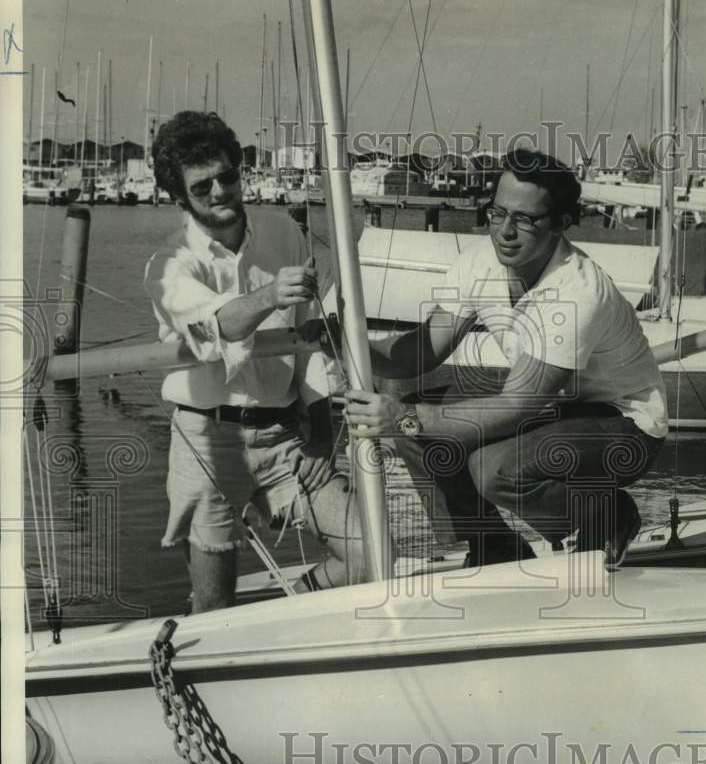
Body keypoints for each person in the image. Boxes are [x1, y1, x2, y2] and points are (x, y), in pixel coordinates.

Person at [336, 148, 668, 568]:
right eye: (497, 213)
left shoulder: (576, 292)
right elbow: (423, 350)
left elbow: (517, 406)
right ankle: (494, 545)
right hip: (557, 411)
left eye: (525, 219)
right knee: (411, 403)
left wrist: (405, 416)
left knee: (493, 468)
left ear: (562, 225)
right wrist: (350, 346)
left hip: (627, 426)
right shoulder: (480, 260)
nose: (505, 232)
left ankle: (608, 512)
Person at [145, 111, 363, 613]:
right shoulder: (168, 265)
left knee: (371, 556)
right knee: (213, 604)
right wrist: (270, 295)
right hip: (207, 442)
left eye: (228, 176)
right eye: (203, 187)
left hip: (285, 437)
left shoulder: (282, 231)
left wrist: (324, 439)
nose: (221, 191)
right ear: (180, 197)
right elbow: (213, 327)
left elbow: (312, 341)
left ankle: (295, 606)